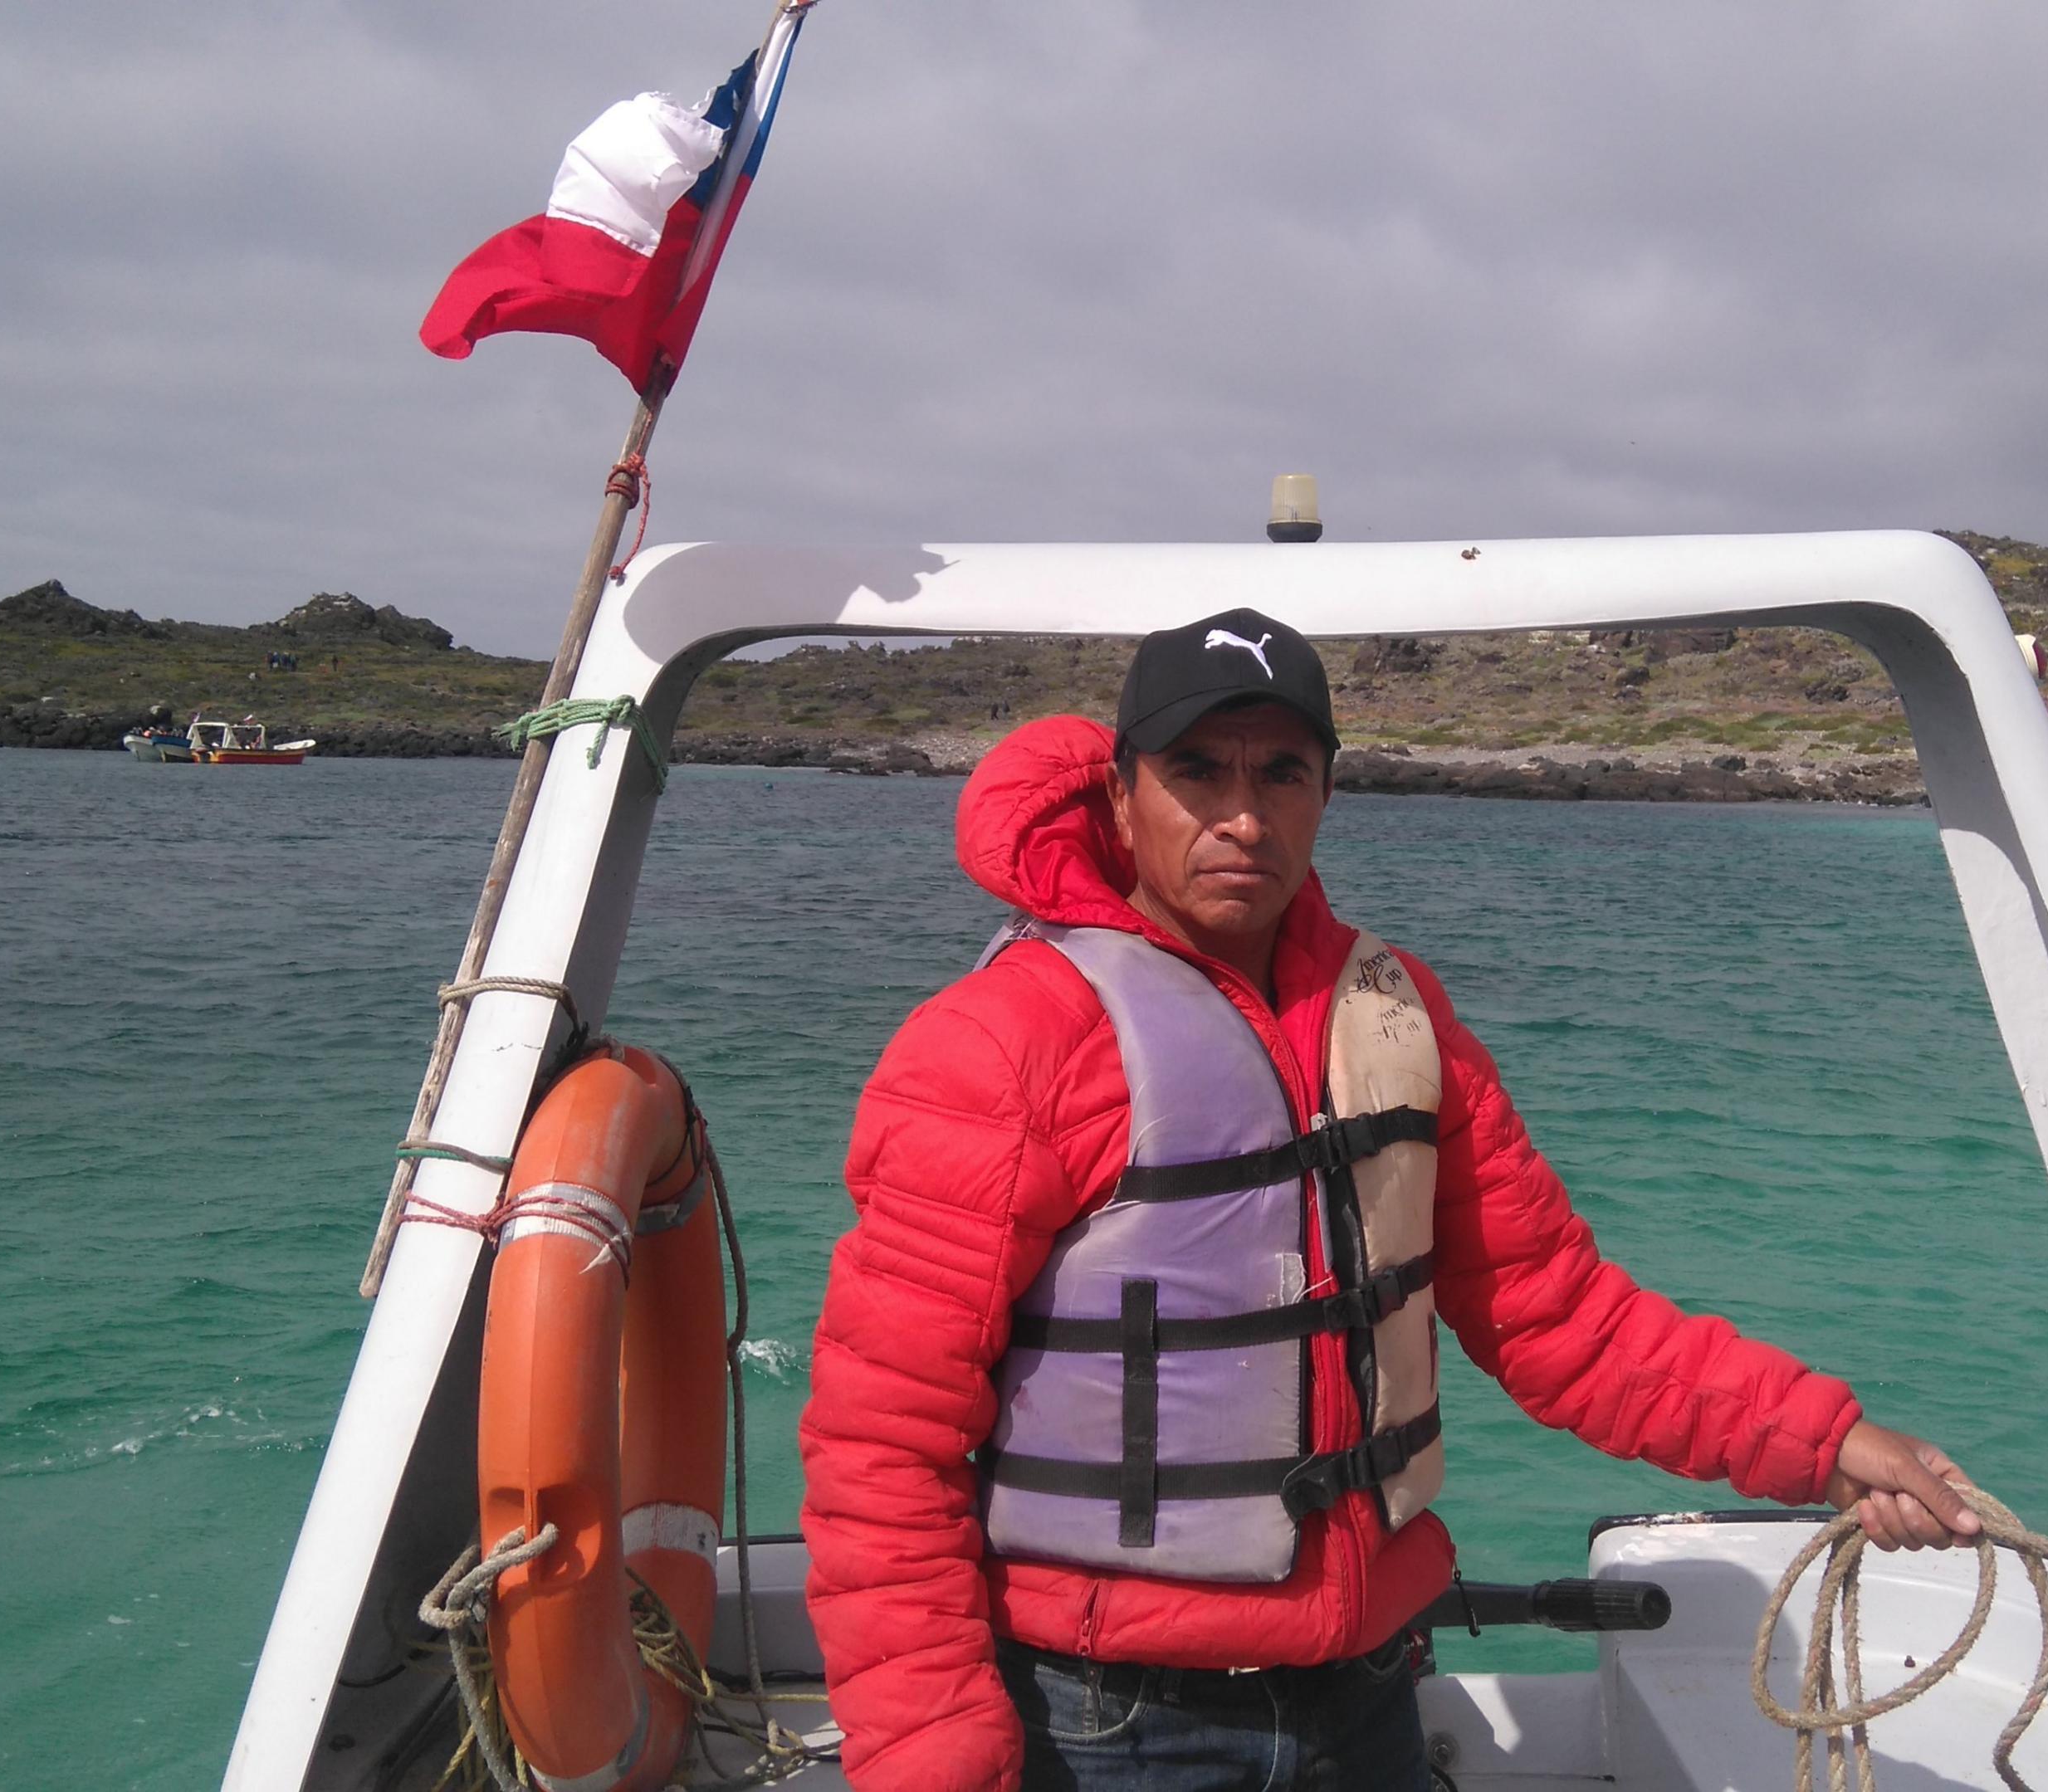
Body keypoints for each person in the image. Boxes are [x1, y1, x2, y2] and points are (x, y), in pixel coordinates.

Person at [799, 609, 1978, 1792]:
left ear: (1327, 792)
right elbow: (883, 1441)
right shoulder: (1002, 1044)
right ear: (1119, 797)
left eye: (1282, 774)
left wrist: (1819, 1441)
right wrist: (937, 1757)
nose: (1244, 817)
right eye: (1197, 771)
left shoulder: (1399, 1014)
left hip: (1366, 1703)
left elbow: (1559, 1316)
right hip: (1107, 1724)